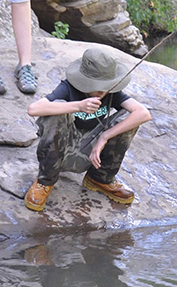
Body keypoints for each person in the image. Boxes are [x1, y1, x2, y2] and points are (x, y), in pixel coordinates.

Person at [24, 48, 151, 211]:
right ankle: (45, 181)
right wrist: (78, 106)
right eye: (98, 87)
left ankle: (100, 178)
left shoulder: (112, 93)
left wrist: (105, 136)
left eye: (106, 86)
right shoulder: (68, 87)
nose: (103, 92)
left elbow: (143, 113)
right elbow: (34, 109)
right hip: (62, 149)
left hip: (93, 150)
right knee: (58, 109)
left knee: (129, 117)